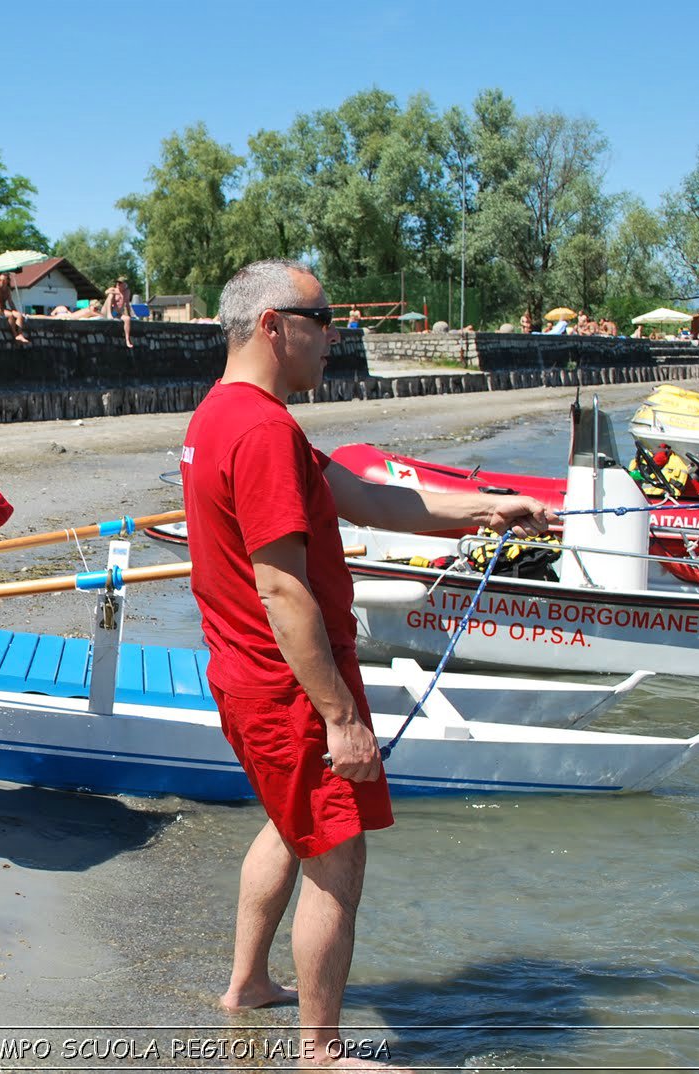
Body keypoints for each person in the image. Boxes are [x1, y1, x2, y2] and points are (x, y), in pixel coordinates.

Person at [181, 259, 552, 1071]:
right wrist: (342, 718)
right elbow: (282, 588)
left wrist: (489, 506)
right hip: (290, 688)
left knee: (293, 828)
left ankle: (247, 985)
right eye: (326, 320)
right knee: (337, 856)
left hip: (249, 678)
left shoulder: (228, 413)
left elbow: (374, 499)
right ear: (275, 326)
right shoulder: (261, 430)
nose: (337, 337)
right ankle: (322, 1052)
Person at [0, 271, 30, 345]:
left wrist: (16, 311)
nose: (2, 282)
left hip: (3, 308)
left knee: (19, 315)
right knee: (10, 315)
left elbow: (10, 302)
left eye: (4, 280)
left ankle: (20, 334)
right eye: (1, 280)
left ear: (7, 281)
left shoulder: (7, 289)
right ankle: (15, 336)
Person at [105, 276, 134, 348]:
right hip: (110, 311)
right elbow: (106, 292)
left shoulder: (127, 292)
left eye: (120, 283)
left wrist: (130, 314)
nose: (118, 284)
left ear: (124, 284)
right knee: (111, 295)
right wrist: (114, 292)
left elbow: (127, 304)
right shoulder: (114, 289)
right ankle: (109, 314)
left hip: (117, 313)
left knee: (127, 319)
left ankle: (127, 340)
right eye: (117, 283)